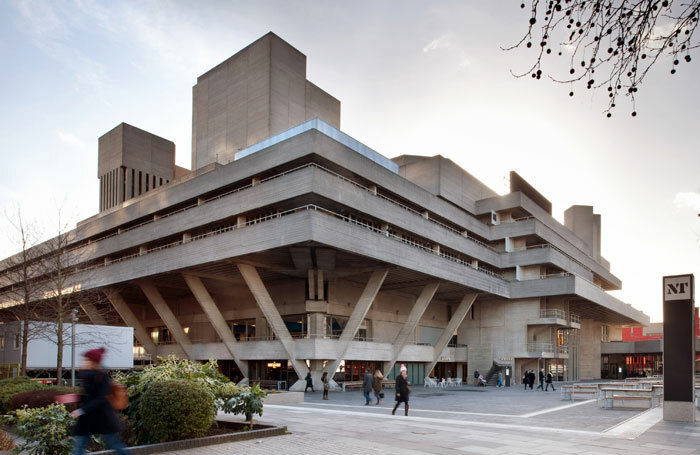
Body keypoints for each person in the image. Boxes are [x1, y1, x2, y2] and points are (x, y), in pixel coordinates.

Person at [66, 347, 128, 455]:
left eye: (86, 360)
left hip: (102, 417)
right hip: (88, 418)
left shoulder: (101, 376)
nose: (83, 362)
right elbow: (88, 396)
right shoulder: (86, 376)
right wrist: (74, 397)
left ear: (94, 362)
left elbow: (101, 398)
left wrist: (81, 410)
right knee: (78, 448)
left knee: (115, 445)